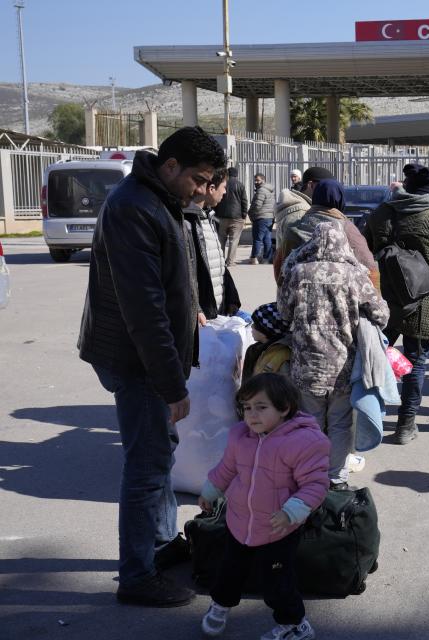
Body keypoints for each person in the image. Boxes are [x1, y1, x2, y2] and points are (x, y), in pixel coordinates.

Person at [78, 126, 227, 607]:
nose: (204, 191)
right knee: (146, 468)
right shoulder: (133, 208)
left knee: (160, 456)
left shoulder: (158, 200)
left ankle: (160, 548)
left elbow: (168, 283)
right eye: (200, 180)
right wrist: (171, 385)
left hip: (151, 358)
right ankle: (138, 576)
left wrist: (193, 313)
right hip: (138, 360)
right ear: (170, 167)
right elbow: (143, 310)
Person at [198, 373, 330, 640]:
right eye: (247, 407)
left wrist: (290, 513)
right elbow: (227, 468)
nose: (252, 415)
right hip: (240, 521)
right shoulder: (240, 436)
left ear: (284, 408)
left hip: (277, 528)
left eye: (261, 407)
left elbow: (315, 484)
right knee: (228, 571)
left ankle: (295, 624)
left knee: (276, 582)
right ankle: (221, 604)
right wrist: (210, 491)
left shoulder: (304, 442)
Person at [279, 221, 389, 488]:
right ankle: (336, 478)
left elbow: (284, 312)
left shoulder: (298, 272)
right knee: (340, 423)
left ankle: (309, 476)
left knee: (309, 422)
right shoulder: (354, 274)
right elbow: (380, 313)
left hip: (306, 365)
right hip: (343, 364)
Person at [363, 164, 429, 444]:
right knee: (416, 361)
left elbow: (365, 255)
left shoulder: (381, 213)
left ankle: (372, 416)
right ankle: (406, 425)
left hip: (383, 298)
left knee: (377, 354)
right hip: (423, 300)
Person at [276, 178, 379, 290]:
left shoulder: (294, 228)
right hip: (340, 298)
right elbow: (369, 267)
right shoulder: (347, 228)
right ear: (340, 199)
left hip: (300, 297)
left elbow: (280, 269)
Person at [183, 169, 241, 322]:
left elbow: (219, 264)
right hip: (202, 316)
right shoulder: (186, 222)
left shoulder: (209, 218)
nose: (225, 192)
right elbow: (185, 274)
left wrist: (230, 297)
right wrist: (197, 308)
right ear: (211, 188)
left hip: (217, 311)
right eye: (224, 187)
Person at [273, 166, 335, 282]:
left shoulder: (302, 207)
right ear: (311, 185)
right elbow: (295, 252)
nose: (327, 190)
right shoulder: (300, 212)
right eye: (323, 186)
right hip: (296, 282)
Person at [214, 166, 248, 267]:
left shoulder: (222, 184)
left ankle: (220, 260)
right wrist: (244, 215)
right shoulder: (240, 185)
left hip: (221, 216)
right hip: (237, 217)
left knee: (221, 239)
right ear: (236, 175)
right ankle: (230, 261)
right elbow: (244, 201)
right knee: (234, 240)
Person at [246, 173, 276, 265]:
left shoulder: (261, 191)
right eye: (255, 180)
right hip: (269, 217)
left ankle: (254, 258)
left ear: (263, 180)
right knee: (267, 238)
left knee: (257, 239)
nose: (256, 182)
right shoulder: (270, 190)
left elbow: (256, 206)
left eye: (258, 180)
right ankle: (266, 258)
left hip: (261, 217)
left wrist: (250, 214)